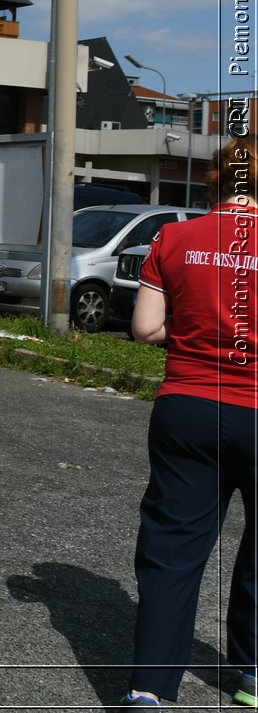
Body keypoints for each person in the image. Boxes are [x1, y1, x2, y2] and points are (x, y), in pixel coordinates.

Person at [120, 135, 256, 709]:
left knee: (173, 548)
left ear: (215, 180)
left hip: (188, 405)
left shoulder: (173, 237)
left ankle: (149, 689)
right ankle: (251, 674)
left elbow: (146, 329)